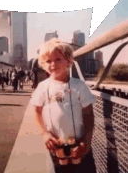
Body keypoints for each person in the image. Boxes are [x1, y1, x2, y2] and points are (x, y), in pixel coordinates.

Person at [30, 38, 96, 173]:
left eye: (58, 59)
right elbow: (36, 111)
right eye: (48, 61)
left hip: (79, 144)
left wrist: (86, 142)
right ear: (43, 64)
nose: (53, 64)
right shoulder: (42, 87)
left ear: (68, 61)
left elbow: (89, 115)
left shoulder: (79, 86)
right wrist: (44, 133)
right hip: (56, 145)